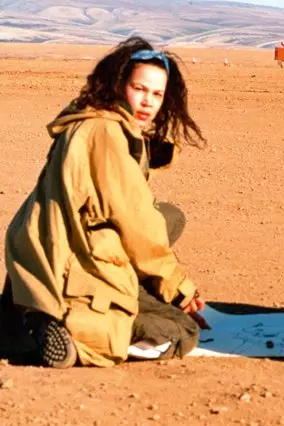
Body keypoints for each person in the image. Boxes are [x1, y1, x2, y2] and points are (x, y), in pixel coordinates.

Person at [1, 36, 209, 368]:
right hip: (72, 264)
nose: (148, 102)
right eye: (139, 89)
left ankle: (27, 316)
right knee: (178, 330)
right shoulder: (106, 133)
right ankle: (75, 333)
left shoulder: (92, 121)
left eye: (157, 94)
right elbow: (138, 224)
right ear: (117, 84)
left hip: (41, 255)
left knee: (170, 217)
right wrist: (178, 288)